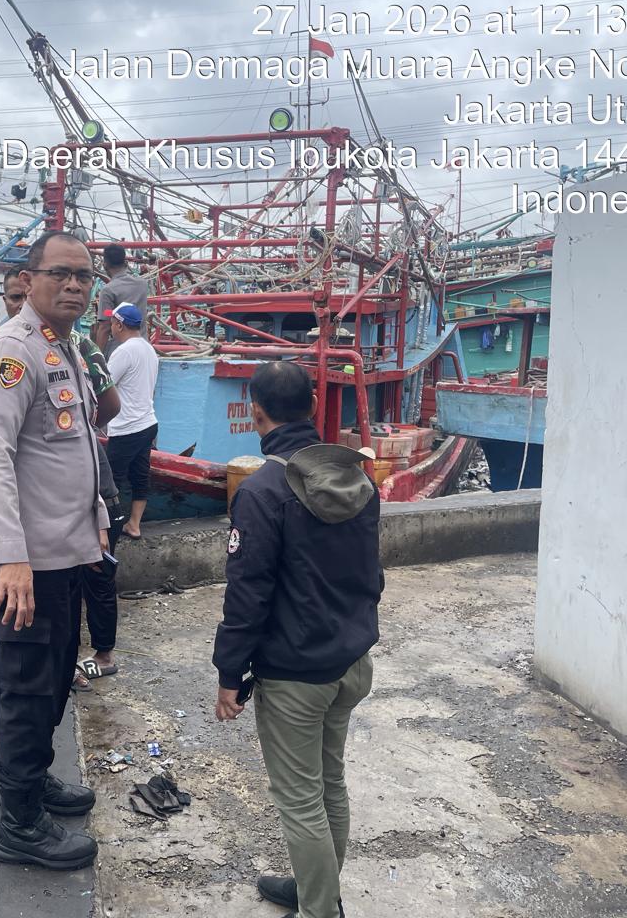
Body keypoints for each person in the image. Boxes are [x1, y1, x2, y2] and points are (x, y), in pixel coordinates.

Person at [212, 361, 382, 918]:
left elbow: (247, 597)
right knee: (329, 782)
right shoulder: (358, 479)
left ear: (256, 413)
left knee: (301, 799)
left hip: (297, 675)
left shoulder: (262, 492)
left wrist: (230, 673)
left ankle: (320, 908)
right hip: (350, 661)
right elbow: (371, 574)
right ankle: (319, 890)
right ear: (312, 407)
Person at [0, 230, 108, 871]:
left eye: (84, 275)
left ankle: (34, 779)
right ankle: (19, 824)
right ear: (28, 280)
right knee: (27, 694)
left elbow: (76, 449)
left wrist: (96, 522)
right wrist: (11, 558)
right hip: (25, 566)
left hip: (63, 554)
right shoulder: (13, 351)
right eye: (61, 274)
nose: (74, 285)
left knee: (51, 685)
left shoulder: (65, 347)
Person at [4, 263, 122, 692]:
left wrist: (79, 432)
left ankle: (101, 654)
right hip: (38, 526)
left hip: (89, 498)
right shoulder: (10, 350)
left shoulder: (80, 346)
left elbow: (108, 407)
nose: (19, 306)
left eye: (82, 278)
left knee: (95, 582)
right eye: (13, 299)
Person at [103, 302, 159, 540]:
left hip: (127, 428)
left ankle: (107, 529)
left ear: (119, 325)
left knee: (110, 480)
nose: (110, 327)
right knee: (140, 476)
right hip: (148, 423)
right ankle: (134, 524)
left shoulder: (124, 351)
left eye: (112, 322)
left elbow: (104, 385)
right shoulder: (149, 349)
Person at [94, 243, 148, 355]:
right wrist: (110, 312)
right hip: (143, 348)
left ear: (105, 264)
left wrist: (96, 358)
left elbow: (105, 327)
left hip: (120, 352)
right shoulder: (142, 284)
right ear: (125, 262)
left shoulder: (108, 290)